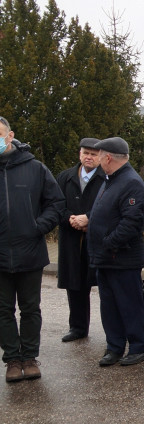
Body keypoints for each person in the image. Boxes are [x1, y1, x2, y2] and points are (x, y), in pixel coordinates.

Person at [0, 116, 64, 383]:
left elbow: (56, 202)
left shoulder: (35, 168)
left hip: (30, 251)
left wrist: (38, 226)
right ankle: (12, 360)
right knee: (3, 310)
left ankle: (29, 357)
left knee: (30, 308)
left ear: (10, 135)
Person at [87, 137, 144, 367]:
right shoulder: (110, 179)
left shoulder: (131, 182)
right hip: (105, 258)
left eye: (99, 154)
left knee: (129, 304)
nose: (97, 159)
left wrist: (107, 243)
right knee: (109, 305)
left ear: (108, 157)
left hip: (121, 257)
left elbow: (131, 223)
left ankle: (138, 347)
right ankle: (114, 346)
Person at [55, 137, 103, 343]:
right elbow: (55, 204)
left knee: (107, 284)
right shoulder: (65, 177)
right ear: (80, 154)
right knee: (74, 284)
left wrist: (89, 219)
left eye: (93, 154)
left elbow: (109, 206)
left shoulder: (106, 178)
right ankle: (77, 327)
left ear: (100, 157)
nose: (89, 157)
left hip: (97, 239)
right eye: (86, 153)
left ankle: (117, 330)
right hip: (71, 239)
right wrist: (71, 219)